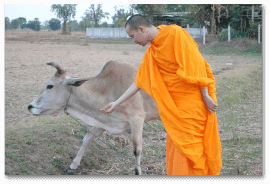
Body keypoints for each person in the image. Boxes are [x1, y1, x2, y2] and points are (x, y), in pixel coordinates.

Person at [100, 14, 222, 175]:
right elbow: (139, 81)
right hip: (174, 111)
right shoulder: (153, 51)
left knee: (194, 152)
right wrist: (116, 103)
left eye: (132, 36)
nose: (133, 41)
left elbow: (196, 65)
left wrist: (205, 94)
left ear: (141, 29)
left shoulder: (175, 34)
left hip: (192, 106)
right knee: (178, 151)